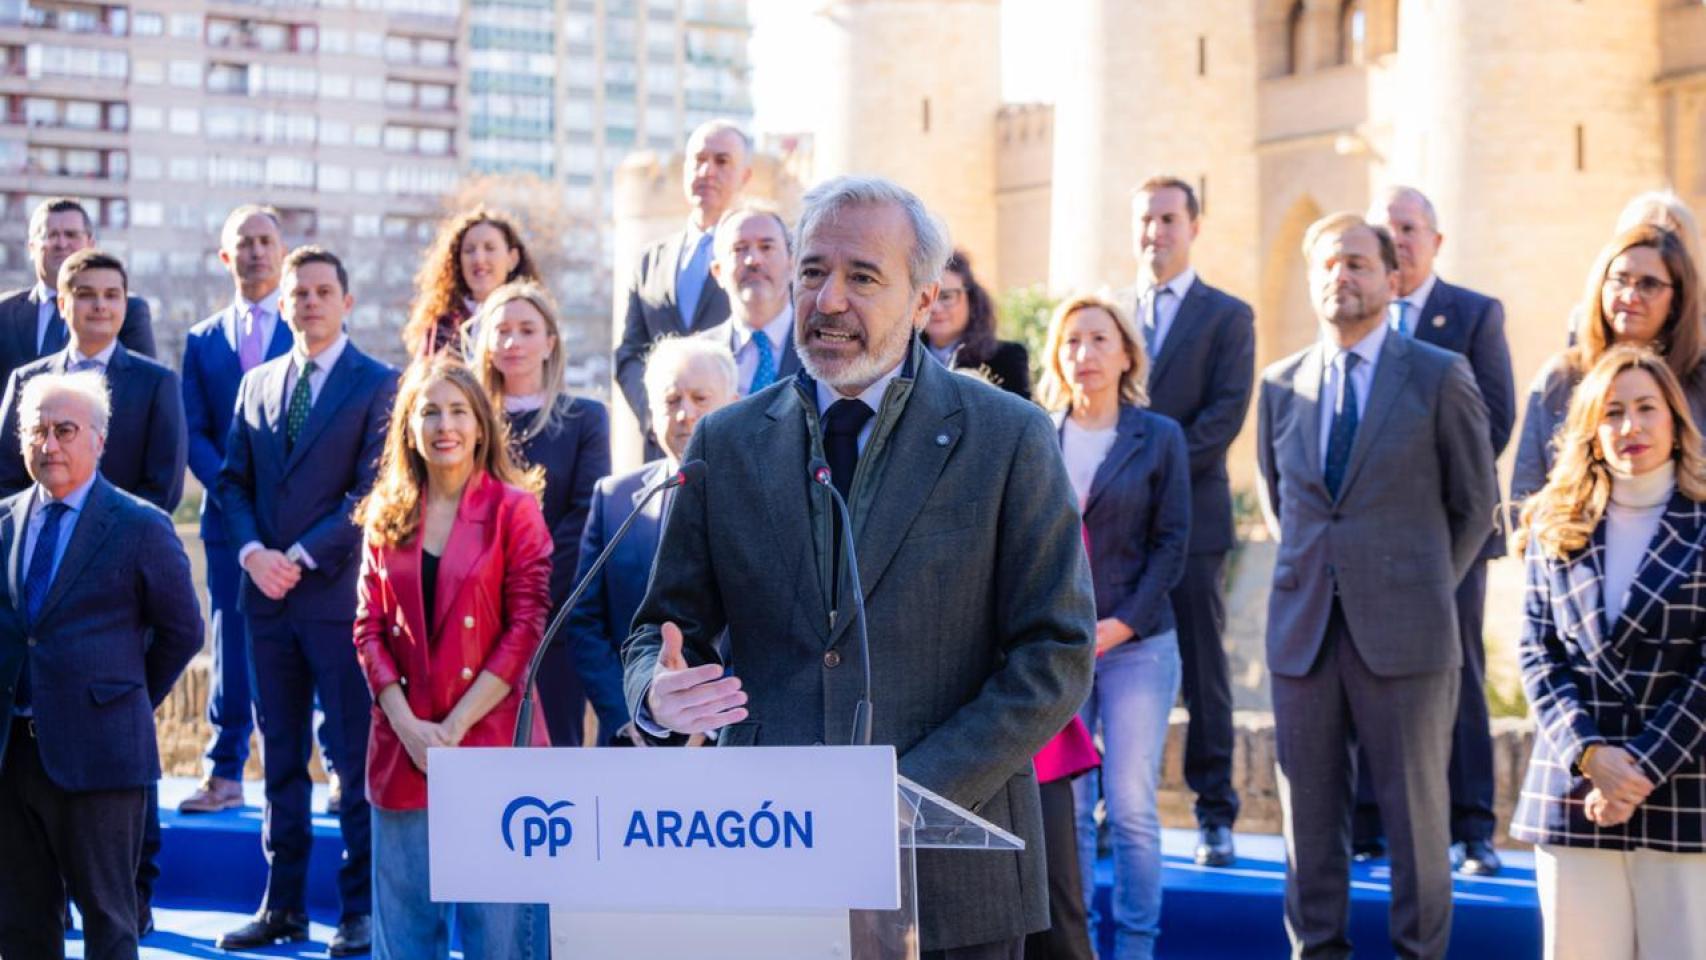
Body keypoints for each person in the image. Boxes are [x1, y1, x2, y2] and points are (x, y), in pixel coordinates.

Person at [624, 175, 1096, 958]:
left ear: (922, 299)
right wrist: (658, 694)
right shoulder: (727, 443)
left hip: (951, 884)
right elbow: (663, 631)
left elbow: (1055, 653)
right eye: (812, 271)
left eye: (863, 277)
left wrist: (911, 796)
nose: (829, 298)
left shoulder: (1008, 437)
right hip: (770, 865)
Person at [1256, 212, 1496, 959]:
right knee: (1309, 831)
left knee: (1418, 828)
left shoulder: (1437, 373)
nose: (1342, 276)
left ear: (1392, 280)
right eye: (1329, 263)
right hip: (1303, 638)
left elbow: (1476, 504)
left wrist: (1421, 586)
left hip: (1409, 640)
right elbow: (1278, 499)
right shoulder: (1279, 385)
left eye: (1358, 263)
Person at [216, 247, 398, 956]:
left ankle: (358, 911)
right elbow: (231, 484)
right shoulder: (257, 384)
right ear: (283, 303)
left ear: (346, 302)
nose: (310, 302)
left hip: (336, 601)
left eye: (324, 291)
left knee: (351, 760)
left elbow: (372, 492)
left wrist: (298, 555)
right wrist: (253, 553)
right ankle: (283, 905)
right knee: (280, 756)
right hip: (264, 602)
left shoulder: (378, 383)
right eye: (299, 293)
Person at [353, 357, 553, 958]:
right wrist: (409, 727)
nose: (445, 425)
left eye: (458, 411)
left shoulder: (514, 511)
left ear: (481, 425)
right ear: (408, 427)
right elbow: (367, 630)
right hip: (404, 752)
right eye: (429, 410)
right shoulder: (385, 515)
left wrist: (454, 729)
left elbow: (526, 627)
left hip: (492, 746)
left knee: (502, 938)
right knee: (407, 936)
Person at [0, 371, 201, 960]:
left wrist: (122, 699)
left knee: (110, 923)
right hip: (13, 756)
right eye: (36, 431)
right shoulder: (5, 521)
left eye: (65, 430)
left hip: (101, 759)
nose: (50, 444)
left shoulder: (140, 526)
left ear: (99, 440)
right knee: (19, 923)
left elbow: (183, 632)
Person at [1514, 345, 1706, 959]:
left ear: (1676, 420)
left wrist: (1642, 767)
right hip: (1575, 794)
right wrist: (1590, 754)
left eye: (1647, 408)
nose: (1631, 427)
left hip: (1684, 791)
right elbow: (1537, 652)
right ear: (1591, 432)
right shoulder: (1555, 521)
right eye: (1613, 412)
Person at [1355, 185, 1517, 876]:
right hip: (1364, 540)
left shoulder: (1474, 315)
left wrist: (1427, 495)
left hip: (1449, 535)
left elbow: (1497, 421)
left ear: (1436, 241)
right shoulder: (1356, 318)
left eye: (1410, 227)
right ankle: (1368, 826)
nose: (1399, 240)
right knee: (1359, 673)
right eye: (1386, 229)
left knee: (1459, 676)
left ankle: (1472, 829)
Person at [1041, 293, 1189, 960]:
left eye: (1099, 339)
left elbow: (1173, 544)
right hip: (1057, 653)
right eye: (1072, 341)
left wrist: (1122, 625)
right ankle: (1077, 948)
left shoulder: (1158, 437)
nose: (1085, 354)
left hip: (1138, 646)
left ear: (1126, 353)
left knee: (1129, 808)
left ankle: (1134, 947)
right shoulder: (1037, 435)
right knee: (1066, 812)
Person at [1127, 175, 1255, 867]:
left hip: (1195, 527)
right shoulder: (1113, 313)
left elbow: (1224, 419)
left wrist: (1147, 471)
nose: (1156, 231)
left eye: (1169, 218)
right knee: (1109, 666)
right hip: (1115, 532)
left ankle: (1215, 815)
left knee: (1205, 672)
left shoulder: (1227, 316)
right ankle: (1113, 808)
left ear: (1193, 226)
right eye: (1145, 219)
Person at [178, 205, 296, 815]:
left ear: (282, 252)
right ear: (226, 257)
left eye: (265, 241)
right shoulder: (201, 340)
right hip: (227, 521)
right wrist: (230, 489)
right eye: (243, 243)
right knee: (230, 641)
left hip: (296, 525)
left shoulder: (306, 329)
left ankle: (325, 770)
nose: (255, 251)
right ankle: (225, 771)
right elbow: (193, 430)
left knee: (312, 644)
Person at [566, 336, 740, 746]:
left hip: (731, 744)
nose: (685, 413)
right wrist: (635, 713)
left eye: (700, 398)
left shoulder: (763, 499)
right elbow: (585, 623)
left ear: (733, 404)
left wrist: (706, 722)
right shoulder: (614, 498)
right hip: (634, 744)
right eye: (671, 399)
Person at [469, 281, 610, 746]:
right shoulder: (464, 422)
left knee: (555, 744)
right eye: (502, 330)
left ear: (550, 342)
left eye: (527, 330)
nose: (513, 342)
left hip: (554, 614)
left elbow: (586, 514)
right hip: (476, 612)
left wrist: (528, 592)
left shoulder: (584, 418)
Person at [1513, 224, 1706, 506]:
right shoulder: (1562, 378)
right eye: (1620, 280)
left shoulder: (1699, 380)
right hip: (1574, 542)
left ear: (1676, 299)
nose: (1630, 296)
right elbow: (1528, 491)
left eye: (1649, 284)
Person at [0, 248, 185, 510]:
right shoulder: (27, 380)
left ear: (123, 304)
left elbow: (164, 485)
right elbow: (5, 473)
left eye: (112, 295)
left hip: (127, 540)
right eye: (86, 295)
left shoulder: (158, 383)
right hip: (41, 536)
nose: (100, 305)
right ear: (62, 305)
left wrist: (109, 532)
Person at [614, 119, 752, 459]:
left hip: (731, 448)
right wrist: (661, 413)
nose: (707, 171)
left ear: (745, 176)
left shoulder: (757, 259)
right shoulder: (650, 260)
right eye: (699, 160)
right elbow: (629, 353)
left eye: (722, 161)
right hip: (663, 451)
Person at [0, 197, 156, 386]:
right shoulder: (4, 312)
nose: (61, 243)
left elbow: (142, 386)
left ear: (91, 244)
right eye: (51, 235)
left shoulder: (126, 310)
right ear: (31, 247)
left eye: (71, 234)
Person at [402, 207, 541, 360]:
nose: (479, 259)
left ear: (512, 259)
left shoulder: (533, 322)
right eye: (469, 250)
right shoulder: (443, 327)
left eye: (490, 248)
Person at [697, 203, 801, 395]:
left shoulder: (824, 347)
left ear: (792, 264)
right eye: (739, 249)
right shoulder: (698, 356)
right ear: (717, 272)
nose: (753, 260)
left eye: (766, 247)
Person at [921, 249, 1032, 399]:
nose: (935, 308)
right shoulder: (902, 357)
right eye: (926, 297)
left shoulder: (1007, 358)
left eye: (946, 297)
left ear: (972, 300)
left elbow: (1023, 418)